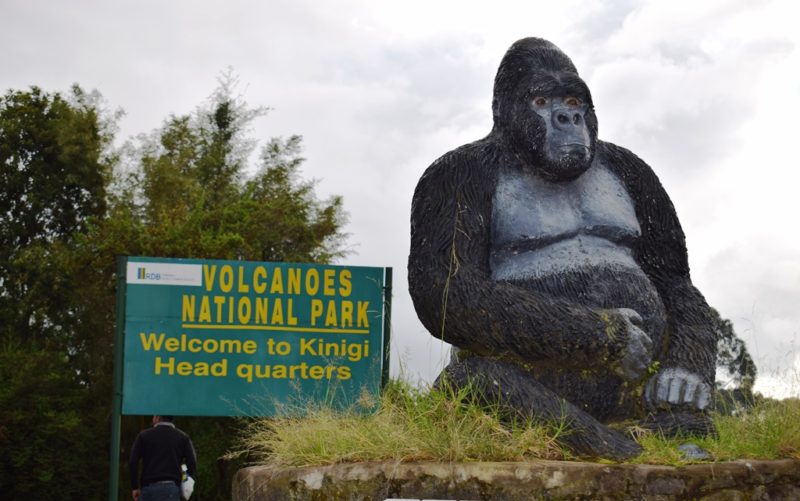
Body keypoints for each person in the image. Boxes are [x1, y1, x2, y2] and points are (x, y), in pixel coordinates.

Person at [129, 415, 197, 501]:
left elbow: (133, 462)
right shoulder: (183, 437)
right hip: (171, 490)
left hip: (149, 489)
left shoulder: (143, 436)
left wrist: (135, 487)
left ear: (158, 417)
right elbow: (192, 462)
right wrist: (184, 479)